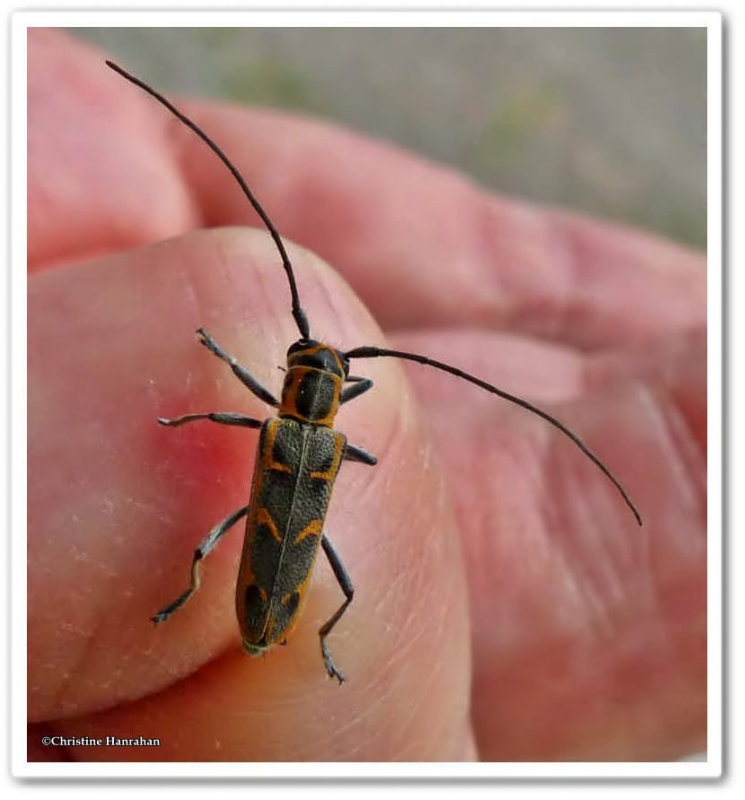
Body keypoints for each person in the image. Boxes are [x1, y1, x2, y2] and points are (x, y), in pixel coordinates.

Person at [27, 28, 706, 762]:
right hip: (274, 569)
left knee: (252, 553)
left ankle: (211, 598)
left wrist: (200, 388)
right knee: (339, 586)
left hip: (264, 570)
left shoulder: (287, 432)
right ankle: (280, 627)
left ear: (298, 387)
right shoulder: (332, 444)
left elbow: (228, 408)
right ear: (334, 396)